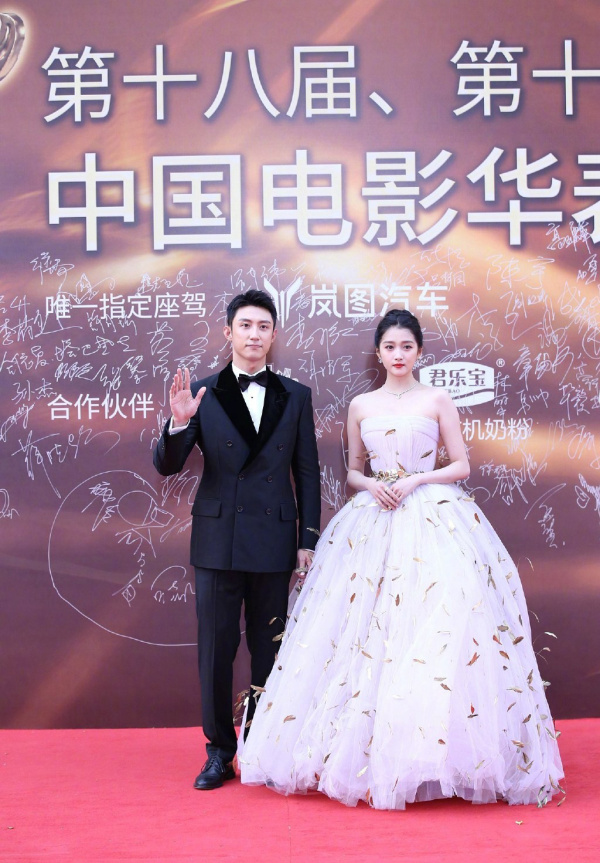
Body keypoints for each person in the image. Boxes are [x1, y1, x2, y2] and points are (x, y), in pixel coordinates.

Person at [239, 308, 564, 809]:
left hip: (434, 516)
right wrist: (374, 486)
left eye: (406, 347)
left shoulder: (436, 399)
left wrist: (415, 481)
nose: (397, 355)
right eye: (389, 347)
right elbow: (353, 471)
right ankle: (367, 757)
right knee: (365, 630)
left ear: (419, 351)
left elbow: (461, 465)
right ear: (378, 352)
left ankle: (436, 756)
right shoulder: (361, 404)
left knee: (436, 628)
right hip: (372, 519)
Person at [153, 289, 321, 790]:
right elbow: (166, 466)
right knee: (216, 650)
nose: (254, 334)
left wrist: (308, 539)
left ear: (274, 334)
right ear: (228, 332)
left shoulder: (296, 395)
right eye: (245, 325)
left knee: (270, 650)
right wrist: (179, 422)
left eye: (263, 326)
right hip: (218, 538)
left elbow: (306, 473)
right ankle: (219, 752)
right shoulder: (201, 393)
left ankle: (263, 747)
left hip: (274, 538)